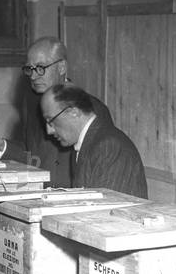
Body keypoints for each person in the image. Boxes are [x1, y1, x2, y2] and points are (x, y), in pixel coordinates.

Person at [19, 37, 112, 187]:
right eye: (29, 69)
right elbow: (29, 151)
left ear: (61, 67)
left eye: (41, 68)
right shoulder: (30, 103)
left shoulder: (94, 109)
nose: (33, 76)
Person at [40, 83, 147, 198]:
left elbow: (104, 208)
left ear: (73, 112)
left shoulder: (108, 146)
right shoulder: (85, 143)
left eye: (51, 120)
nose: (49, 131)